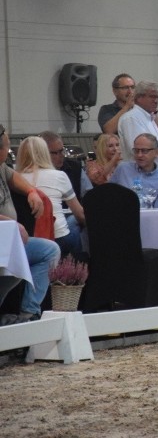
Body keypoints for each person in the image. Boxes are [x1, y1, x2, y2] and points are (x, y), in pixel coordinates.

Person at [0, 125, 60, 323]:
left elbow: (12, 176)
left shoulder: (1, 166)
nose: (9, 153)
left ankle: (29, 313)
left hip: (9, 239)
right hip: (5, 237)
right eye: (7, 148)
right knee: (14, 263)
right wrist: (11, 224)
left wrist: (31, 191)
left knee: (49, 250)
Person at [16, 136, 87, 259]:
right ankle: (79, 263)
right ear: (45, 153)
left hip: (26, 237)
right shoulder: (59, 176)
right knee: (75, 221)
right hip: (57, 237)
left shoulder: (15, 179)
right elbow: (80, 214)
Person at [117, 80, 158, 170]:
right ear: (138, 98)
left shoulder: (150, 118)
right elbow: (140, 151)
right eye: (152, 97)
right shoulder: (131, 118)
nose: (156, 101)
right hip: (142, 177)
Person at [109, 133, 158, 208]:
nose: (139, 155)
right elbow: (108, 194)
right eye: (136, 150)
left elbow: (157, 211)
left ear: (156, 152)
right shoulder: (123, 169)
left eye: (144, 151)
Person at [38, 131, 93, 200]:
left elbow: (89, 196)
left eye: (62, 150)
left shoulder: (75, 168)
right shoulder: (35, 172)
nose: (62, 155)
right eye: (55, 153)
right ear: (42, 153)